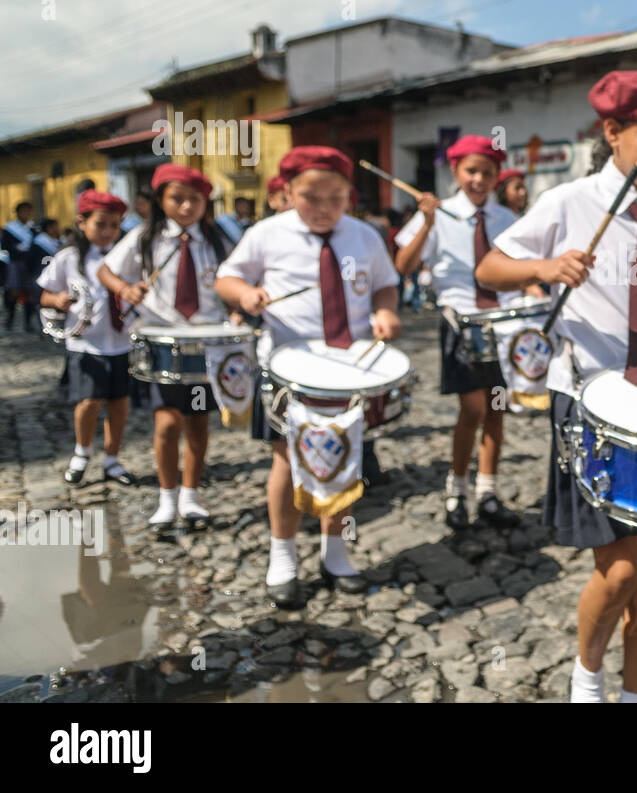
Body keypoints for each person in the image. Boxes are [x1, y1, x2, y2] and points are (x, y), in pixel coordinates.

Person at [477, 68, 637, 703]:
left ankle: (634, 694)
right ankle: (587, 674)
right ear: (613, 132)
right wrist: (544, 266)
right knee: (618, 569)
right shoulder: (568, 202)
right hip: (589, 399)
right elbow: (490, 266)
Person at [216, 146, 402, 607]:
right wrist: (247, 295)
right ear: (286, 192)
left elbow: (385, 283)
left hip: (347, 370)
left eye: (335, 199)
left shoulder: (364, 235)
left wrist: (385, 311)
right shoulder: (267, 234)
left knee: (344, 452)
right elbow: (226, 278)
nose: (323, 209)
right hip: (288, 369)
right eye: (310, 197)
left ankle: (335, 552)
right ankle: (283, 555)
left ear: (349, 195)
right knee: (285, 460)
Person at [394, 135, 520, 528]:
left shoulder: (507, 220)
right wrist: (427, 223)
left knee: (497, 409)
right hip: (461, 322)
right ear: (455, 172)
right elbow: (403, 266)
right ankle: (457, 487)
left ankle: (487, 490)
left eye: (487, 172)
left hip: (502, 322)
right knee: (473, 408)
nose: (478, 180)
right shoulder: (439, 213)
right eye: (471, 171)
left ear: (498, 175)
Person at [98, 164, 231, 531]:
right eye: (177, 199)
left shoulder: (218, 240)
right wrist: (125, 289)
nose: (187, 207)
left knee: (199, 421)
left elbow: (235, 281)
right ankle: (166, 497)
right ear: (160, 200)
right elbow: (106, 270)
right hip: (162, 347)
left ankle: (191, 496)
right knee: (167, 423)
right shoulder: (144, 238)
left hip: (205, 346)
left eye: (195, 200)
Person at [37, 191, 135, 486]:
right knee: (89, 401)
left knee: (119, 402)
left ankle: (112, 459)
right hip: (86, 342)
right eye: (101, 224)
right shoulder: (68, 258)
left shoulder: (125, 256)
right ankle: (82, 451)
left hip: (121, 341)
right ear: (82, 222)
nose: (108, 232)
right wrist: (59, 299)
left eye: (115, 226)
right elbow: (44, 294)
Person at [3, 201, 38, 332]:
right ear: (17, 213)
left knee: (29, 292)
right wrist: (17, 249)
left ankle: (28, 322)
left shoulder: (33, 228)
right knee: (13, 292)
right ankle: (10, 319)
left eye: (28, 211)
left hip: (29, 264)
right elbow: (5, 245)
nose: (26, 214)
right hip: (15, 263)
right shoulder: (10, 228)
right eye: (23, 211)